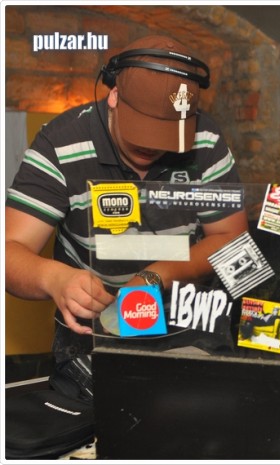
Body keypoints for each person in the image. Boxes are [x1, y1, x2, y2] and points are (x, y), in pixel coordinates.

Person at [4, 35, 248, 391]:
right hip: (93, 336)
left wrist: (159, 275)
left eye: (167, 135)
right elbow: (10, 249)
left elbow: (232, 239)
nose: (152, 146)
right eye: (143, 129)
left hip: (185, 324)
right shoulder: (60, 142)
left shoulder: (205, 139)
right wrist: (54, 278)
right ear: (114, 95)